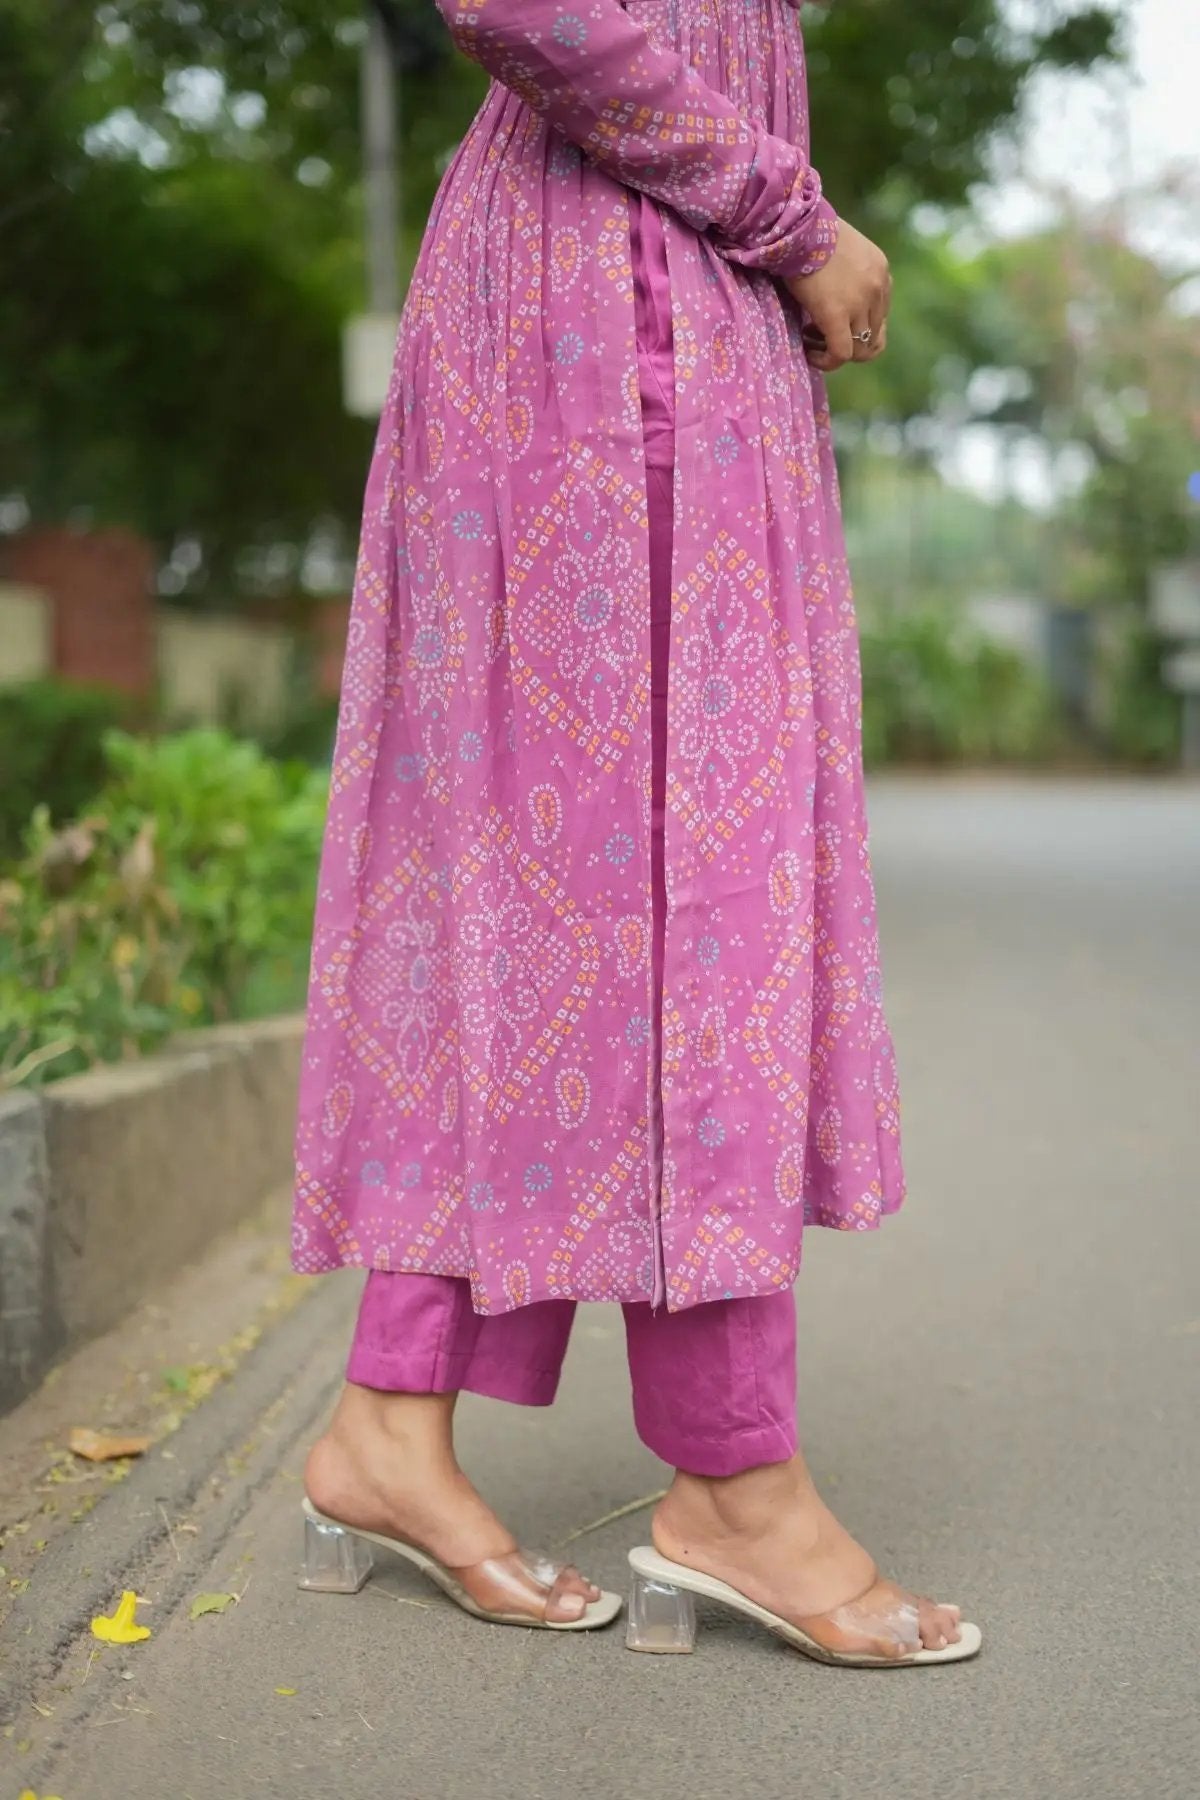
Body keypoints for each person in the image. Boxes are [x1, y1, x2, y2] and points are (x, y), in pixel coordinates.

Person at [292, 0, 980, 1666]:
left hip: (647, 309)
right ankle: (734, 1483)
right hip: (613, 332)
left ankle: (391, 1422)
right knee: (689, 909)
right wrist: (796, 218)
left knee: (552, 897)